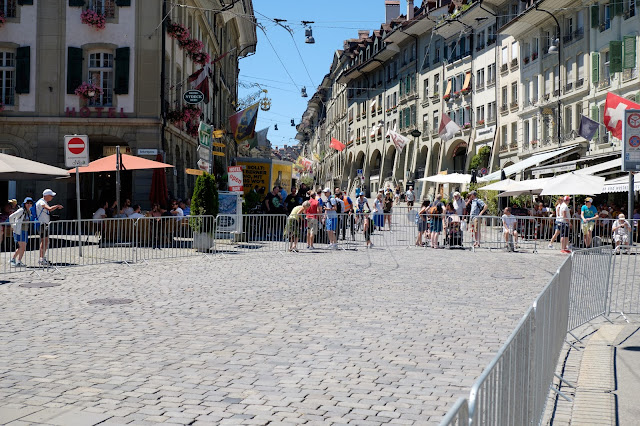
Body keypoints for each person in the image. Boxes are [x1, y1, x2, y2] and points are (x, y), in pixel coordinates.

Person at [35, 189, 63, 266]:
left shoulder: (43, 202)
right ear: (46, 196)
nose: (52, 197)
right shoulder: (41, 202)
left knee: (45, 241)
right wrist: (57, 206)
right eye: (51, 196)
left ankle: (42, 257)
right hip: (42, 224)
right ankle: (41, 258)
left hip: (44, 224)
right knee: (44, 241)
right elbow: (49, 209)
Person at [9, 197, 34, 267]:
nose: (29, 204)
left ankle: (14, 259)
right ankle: (18, 261)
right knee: (22, 246)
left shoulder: (29, 211)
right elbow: (11, 217)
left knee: (22, 247)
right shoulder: (21, 210)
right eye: (27, 203)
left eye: (30, 203)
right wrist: (12, 225)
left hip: (25, 230)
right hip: (19, 230)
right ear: (24, 203)